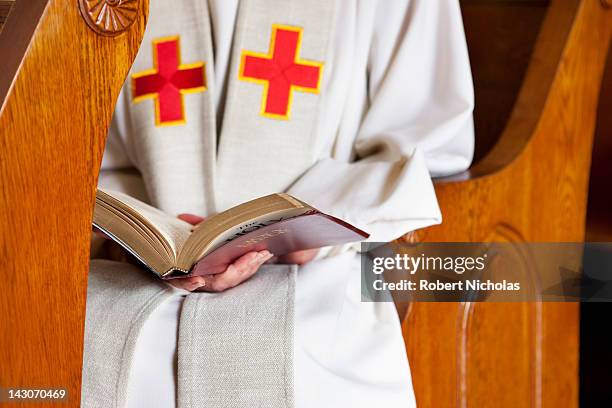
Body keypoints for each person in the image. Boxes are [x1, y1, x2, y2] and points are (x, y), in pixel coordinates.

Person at [82, 0, 474, 407]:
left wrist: (311, 224)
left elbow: (432, 144)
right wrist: (137, 237)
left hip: (315, 282)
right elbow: (97, 153)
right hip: (138, 283)